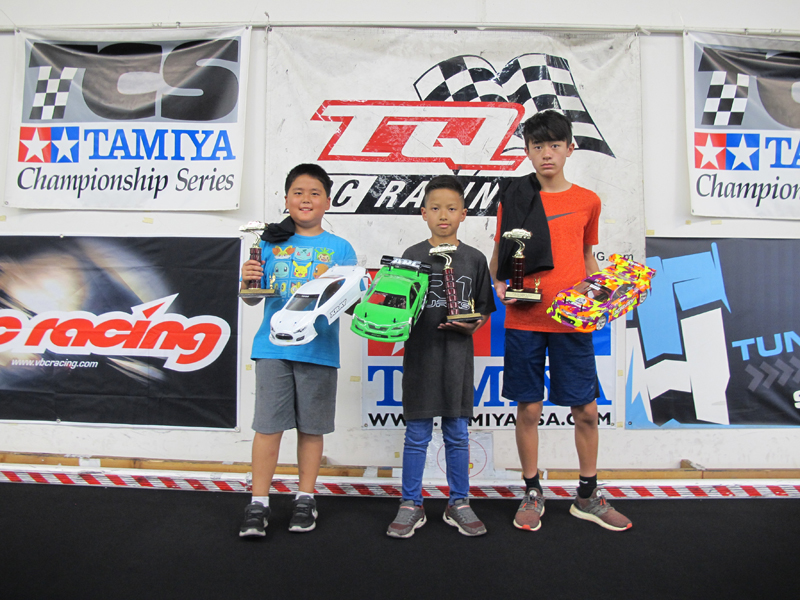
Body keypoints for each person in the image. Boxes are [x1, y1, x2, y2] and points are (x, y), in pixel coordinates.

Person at [489, 110, 632, 532]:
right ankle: (532, 490)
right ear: (527, 151)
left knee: (585, 410)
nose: (546, 153)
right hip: (524, 318)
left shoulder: (588, 200)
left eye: (554, 144)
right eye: (538, 146)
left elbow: (587, 256)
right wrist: (498, 281)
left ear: (570, 148)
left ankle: (587, 494)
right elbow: (500, 250)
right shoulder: (514, 196)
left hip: (571, 322)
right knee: (528, 409)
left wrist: (601, 298)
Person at [239, 163, 357, 537]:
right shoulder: (267, 243)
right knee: (267, 427)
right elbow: (251, 299)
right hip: (271, 347)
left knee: (311, 428)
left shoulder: (340, 248)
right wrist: (247, 280)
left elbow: (350, 304)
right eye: (298, 193)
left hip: (318, 349)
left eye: (315, 193)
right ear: (286, 199)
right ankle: (259, 502)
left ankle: (305, 498)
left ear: (328, 202)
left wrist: (360, 291)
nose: (306, 199)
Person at [386, 175, 496, 539]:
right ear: (423, 213)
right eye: (435, 208)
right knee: (416, 435)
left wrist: (471, 326)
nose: (443, 215)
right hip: (420, 359)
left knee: (457, 435)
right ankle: (410, 504)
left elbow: (483, 309)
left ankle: (458, 503)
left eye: (451, 208)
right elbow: (396, 307)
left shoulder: (475, 258)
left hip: (457, 362)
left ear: (464, 214)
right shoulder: (411, 257)